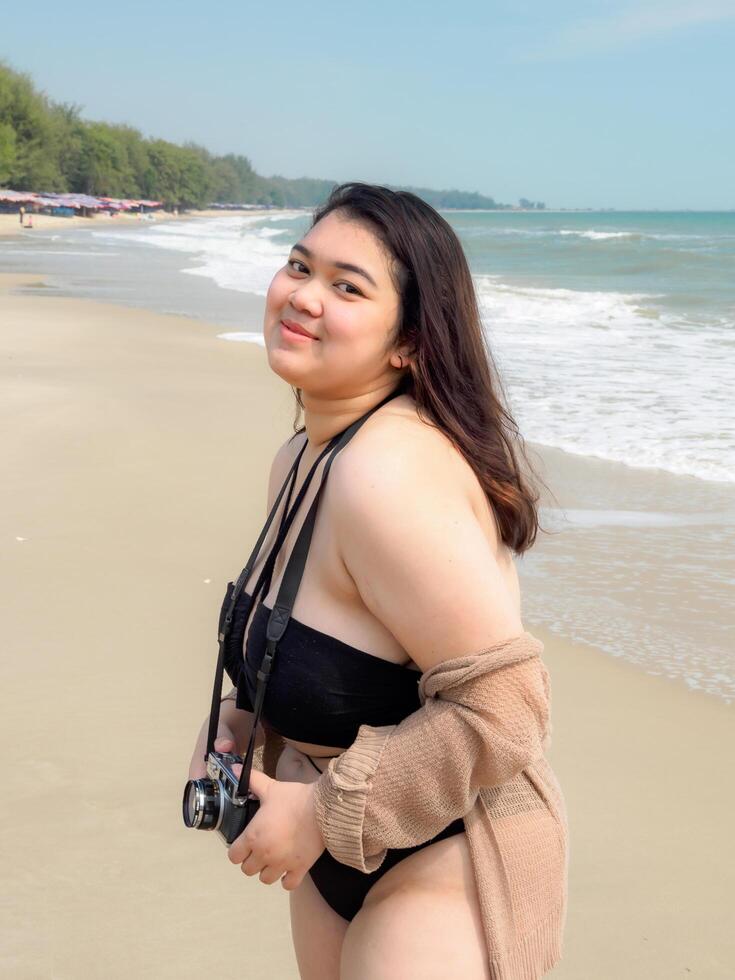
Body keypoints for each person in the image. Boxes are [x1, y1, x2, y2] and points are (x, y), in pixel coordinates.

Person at [188, 182, 566, 979]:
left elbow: (510, 712)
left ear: (408, 344)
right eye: (299, 266)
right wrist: (239, 720)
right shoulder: (303, 457)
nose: (303, 297)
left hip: (450, 860)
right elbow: (326, 644)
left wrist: (325, 812)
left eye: (346, 286)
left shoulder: (384, 475)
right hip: (340, 848)